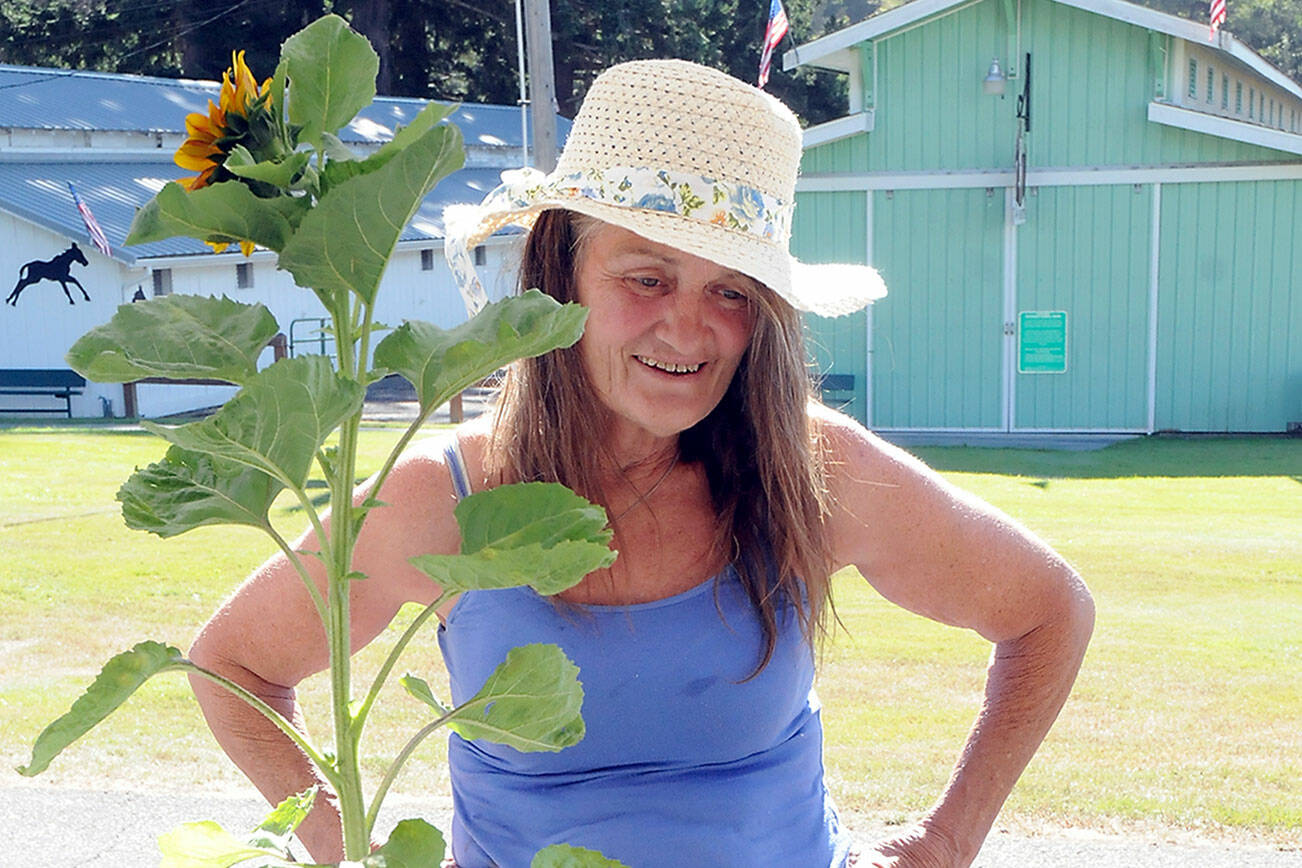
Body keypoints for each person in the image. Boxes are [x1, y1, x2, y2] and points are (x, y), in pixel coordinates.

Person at [189, 59, 1094, 868]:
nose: (688, 330)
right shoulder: (445, 499)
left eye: (730, 291)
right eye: (647, 277)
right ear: (561, 271)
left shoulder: (815, 474)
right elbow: (232, 667)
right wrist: (348, 845)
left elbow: (1050, 610)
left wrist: (945, 844)